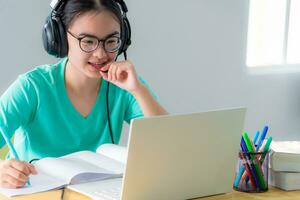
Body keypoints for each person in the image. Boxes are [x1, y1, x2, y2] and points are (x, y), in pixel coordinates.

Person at [0, 0, 167, 188]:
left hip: (96, 193)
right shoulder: (32, 87)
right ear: (60, 39)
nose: (100, 54)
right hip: (35, 192)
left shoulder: (126, 84)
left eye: (111, 41)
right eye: (88, 41)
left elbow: (168, 143)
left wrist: (139, 90)